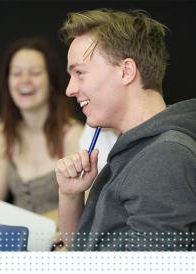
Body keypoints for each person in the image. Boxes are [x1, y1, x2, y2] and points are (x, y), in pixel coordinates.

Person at [55, 9, 196, 251]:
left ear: (126, 71)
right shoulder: (138, 149)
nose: (70, 89)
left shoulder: (164, 157)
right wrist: (70, 195)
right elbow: (80, 248)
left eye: (79, 73)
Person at [0, 37, 83, 215]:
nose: (25, 80)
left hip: (60, 240)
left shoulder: (73, 134)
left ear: (51, 82)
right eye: (16, 73)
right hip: (15, 240)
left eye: (35, 73)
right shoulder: (4, 133)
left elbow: (85, 208)